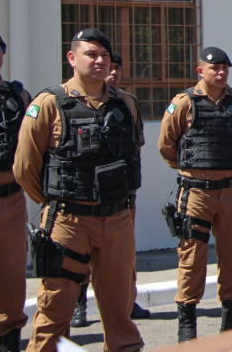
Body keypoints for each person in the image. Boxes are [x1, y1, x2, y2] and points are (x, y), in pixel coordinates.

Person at [14, 29, 143, 352]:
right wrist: (55, 203)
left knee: (119, 310)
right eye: (91, 54)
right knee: (55, 311)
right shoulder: (48, 104)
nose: (99, 61)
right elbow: (25, 168)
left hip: (117, 221)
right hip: (68, 223)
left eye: (104, 56)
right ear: (72, 58)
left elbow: (132, 156)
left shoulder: (125, 104)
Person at [159, 47, 232, 342]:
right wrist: (194, 170)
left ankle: (231, 318)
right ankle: (187, 325)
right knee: (191, 257)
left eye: (225, 67)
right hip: (196, 194)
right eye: (215, 68)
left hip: (231, 192)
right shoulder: (184, 103)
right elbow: (167, 145)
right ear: (201, 71)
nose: (221, 72)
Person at [70, 52, 151, 328]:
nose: (113, 72)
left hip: (122, 195)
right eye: (110, 67)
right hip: (83, 199)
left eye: (118, 68)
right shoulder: (68, 101)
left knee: (124, 256)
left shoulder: (127, 103)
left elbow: (135, 145)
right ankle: (79, 305)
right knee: (80, 258)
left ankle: (128, 299)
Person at [0, 34, 31, 352]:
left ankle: (8, 339)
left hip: (9, 199)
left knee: (10, 274)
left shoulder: (17, 95)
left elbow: (37, 144)